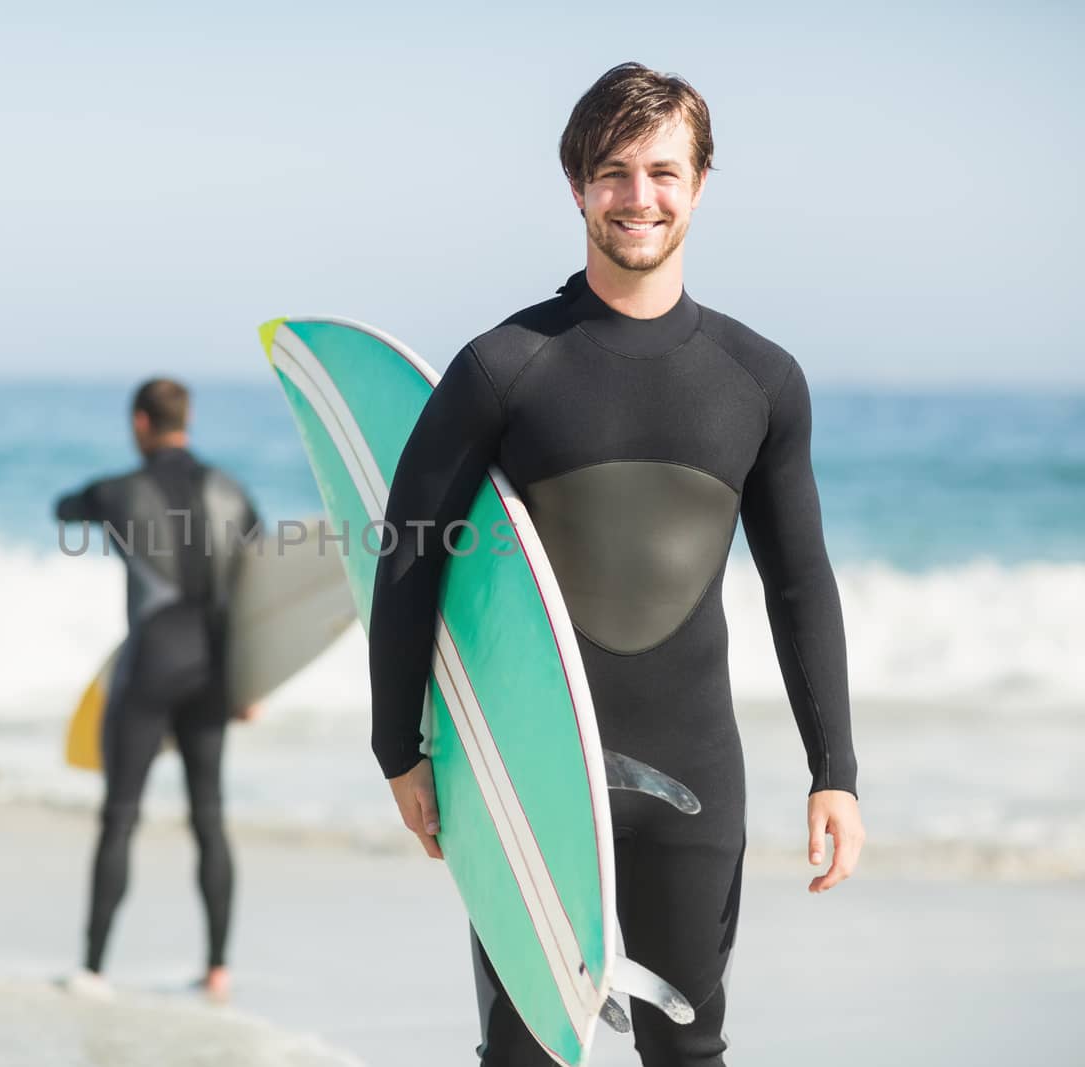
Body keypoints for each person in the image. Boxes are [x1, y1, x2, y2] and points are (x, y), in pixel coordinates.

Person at [367, 63, 866, 1065]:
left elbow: (798, 581)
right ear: (577, 186)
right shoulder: (504, 367)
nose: (639, 196)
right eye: (613, 171)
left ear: (700, 183)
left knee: (688, 1051)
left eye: (663, 171)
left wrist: (834, 769)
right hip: (531, 766)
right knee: (525, 1052)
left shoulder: (757, 379)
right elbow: (409, 554)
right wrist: (400, 745)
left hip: (692, 772)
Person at [55, 378, 261, 1001]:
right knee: (209, 817)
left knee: (120, 815)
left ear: (141, 423)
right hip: (213, 672)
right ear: (187, 420)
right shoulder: (231, 491)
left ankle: (93, 970)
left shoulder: (116, 492)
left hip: (149, 666)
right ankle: (219, 969)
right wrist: (249, 681)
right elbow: (260, 583)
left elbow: (64, 510)